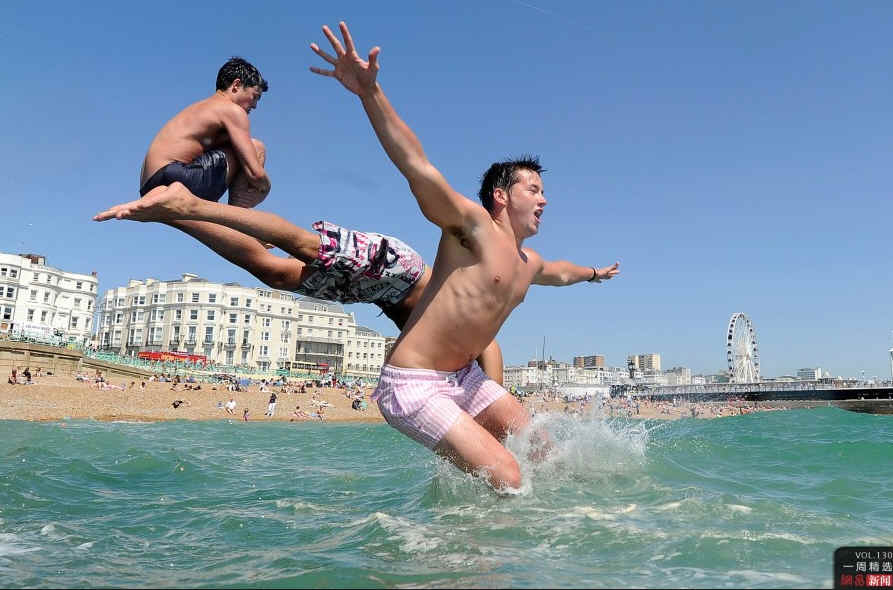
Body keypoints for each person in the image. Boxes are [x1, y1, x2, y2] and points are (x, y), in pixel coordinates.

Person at [308, 22, 621, 491]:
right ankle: (478, 537)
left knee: (544, 451)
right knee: (509, 476)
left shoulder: (528, 262)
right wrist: (370, 94)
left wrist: (594, 273)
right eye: (533, 189)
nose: (544, 199)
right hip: (413, 382)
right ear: (501, 196)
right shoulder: (471, 229)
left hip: (463, 378)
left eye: (544, 191)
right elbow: (417, 166)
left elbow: (560, 273)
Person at [140, 57, 272, 248]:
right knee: (256, 147)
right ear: (236, 85)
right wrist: (266, 187)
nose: (255, 105)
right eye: (255, 96)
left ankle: (238, 222)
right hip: (174, 176)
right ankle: (241, 223)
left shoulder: (203, 108)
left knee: (236, 146)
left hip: (150, 183)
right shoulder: (232, 111)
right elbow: (255, 173)